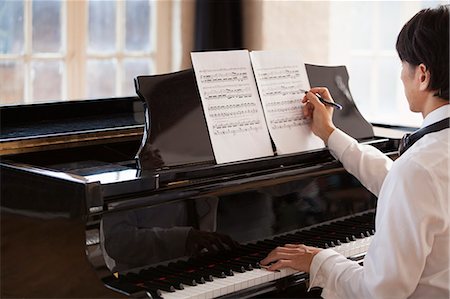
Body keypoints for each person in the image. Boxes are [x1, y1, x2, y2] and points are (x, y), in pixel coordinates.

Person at [261, 5, 449, 299]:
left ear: (422, 75)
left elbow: (378, 292)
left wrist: (319, 260)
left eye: (403, 65)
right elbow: (409, 186)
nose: (401, 76)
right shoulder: (428, 162)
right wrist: (330, 134)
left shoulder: (418, 168)